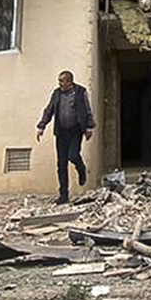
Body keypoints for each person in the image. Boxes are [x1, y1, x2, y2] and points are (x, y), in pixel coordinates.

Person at [36, 70, 95, 204]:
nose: (60, 83)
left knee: (73, 155)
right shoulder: (57, 94)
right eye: (59, 81)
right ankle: (64, 195)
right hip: (61, 132)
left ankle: (81, 168)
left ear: (69, 81)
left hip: (75, 131)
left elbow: (87, 109)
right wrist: (41, 126)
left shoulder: (80, 92)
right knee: (61, 164)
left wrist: (89, 128)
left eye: (62, 81)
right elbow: (49, 110)